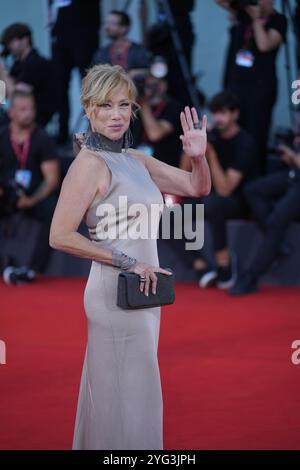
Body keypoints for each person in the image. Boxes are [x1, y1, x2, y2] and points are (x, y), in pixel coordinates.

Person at [49, 63, 211, 450]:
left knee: (130, 394)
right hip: (113, 293)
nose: (117, 114)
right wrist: (128, 262)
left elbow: (195, 187)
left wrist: (199, 157)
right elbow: (59, 236)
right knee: (127, 396)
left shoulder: (136, 160)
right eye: (106, 105)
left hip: (143, 294)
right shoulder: (89, 165)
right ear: (88, 109)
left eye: (125, 105)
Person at [179, 91, 257, 289]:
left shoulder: (245, 142)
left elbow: (225, 189)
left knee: (214, 203)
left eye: (222, 113)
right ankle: (200, 265)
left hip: (237, 201)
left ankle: (223, 260)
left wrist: (210, 155)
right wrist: (191, 147)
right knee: (166, 214)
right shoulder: (211, 135)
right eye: (215, 113)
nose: (218, 118)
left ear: (235, 114)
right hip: (206, 197)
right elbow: (182, 175)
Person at [215, 0, 287, 174]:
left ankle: (255, 177)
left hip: (260, 88)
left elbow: (264, 45)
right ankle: (234, 174)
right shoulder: (244, 11)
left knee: (256, 132)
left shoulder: (279, 20)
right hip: (237, 86)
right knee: (233, 130)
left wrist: (256, 20)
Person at [0, 90, 60, 284]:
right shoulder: (1, 136)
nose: (29, 113)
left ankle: (35, 269)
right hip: (4, 195)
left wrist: (31, 200)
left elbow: (52, 179)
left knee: (54, 209)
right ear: (11, 112)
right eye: (23, 109)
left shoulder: (42, 137)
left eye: (31, 108)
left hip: (33, 197)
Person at [230, 143, 300, 295]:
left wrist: (292, 156)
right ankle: (277, 243)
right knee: (252, 190)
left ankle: (251, 276)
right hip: (293, 175)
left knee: (276, 221)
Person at [51, 0, 101, 144]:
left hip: (84, 31)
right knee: (60, 85)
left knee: (88, 85)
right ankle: (62, 132)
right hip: (61, 33)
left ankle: (94, 129)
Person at [0, 23, 58, 127]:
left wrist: (3, 71)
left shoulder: (35, 63)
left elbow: (18, 97)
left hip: (34, 117)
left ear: (25, 40)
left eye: (11, 42)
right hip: (20, 116)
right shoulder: (18, 66)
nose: (9, 46)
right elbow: (2, 96)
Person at [131, 57, 183, 167]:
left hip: (164, 168)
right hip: (135, 166)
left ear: (165, 85)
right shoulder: (133, 105)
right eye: (150, 79)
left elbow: (155, 134)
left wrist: (143, 102)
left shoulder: (174, 107)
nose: (155, 85)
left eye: (160, 82)